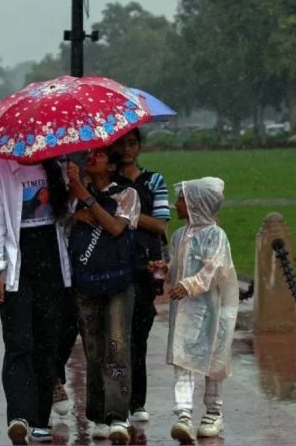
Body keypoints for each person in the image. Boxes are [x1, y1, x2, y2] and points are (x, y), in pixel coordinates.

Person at [0, 157, 71, 444]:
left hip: (53, 265)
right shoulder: (1, 170)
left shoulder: (58, 167)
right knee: (19, 342)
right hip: (16, 267)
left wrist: (72, 182)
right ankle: (19, 416)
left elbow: (68, 216)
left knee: (48, 342)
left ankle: (40, 419)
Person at [66, 146, 140, 444]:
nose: (91, 157)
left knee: (117, 347)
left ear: (111, 166)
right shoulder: (73, 196)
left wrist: (86, 198)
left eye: (99, 155)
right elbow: (61, 226)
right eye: (90, 153)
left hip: (118, 283)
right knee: (93, 349)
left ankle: (118, 415)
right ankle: (97, 414)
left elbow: (115, 227)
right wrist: (75, 212)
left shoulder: (127, 194)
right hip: (85, 282)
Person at [167, 177, 238, 442]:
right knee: (182, 358)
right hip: (185, 310)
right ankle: (183, 413)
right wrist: (164, 270)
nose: (176, 204)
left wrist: (189, 285)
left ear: (196, 204)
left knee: (213, 359)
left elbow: (215, 269)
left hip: (212, 309)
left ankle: (213, 412)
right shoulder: (179, 236)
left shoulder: (216, 236)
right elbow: (176, 267)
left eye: (181, 200)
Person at [112, 127, 170, 424]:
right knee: (116, 339)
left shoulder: (154, 181)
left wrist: (127, 214)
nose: (126, 150)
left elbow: (160, 225)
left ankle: (137, 401)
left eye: (132, 143)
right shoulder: (108, 182)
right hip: (115, 265)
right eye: (121, 144)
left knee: (139, 337)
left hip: (146, 267)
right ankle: (116, 402)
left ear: (139, 147)